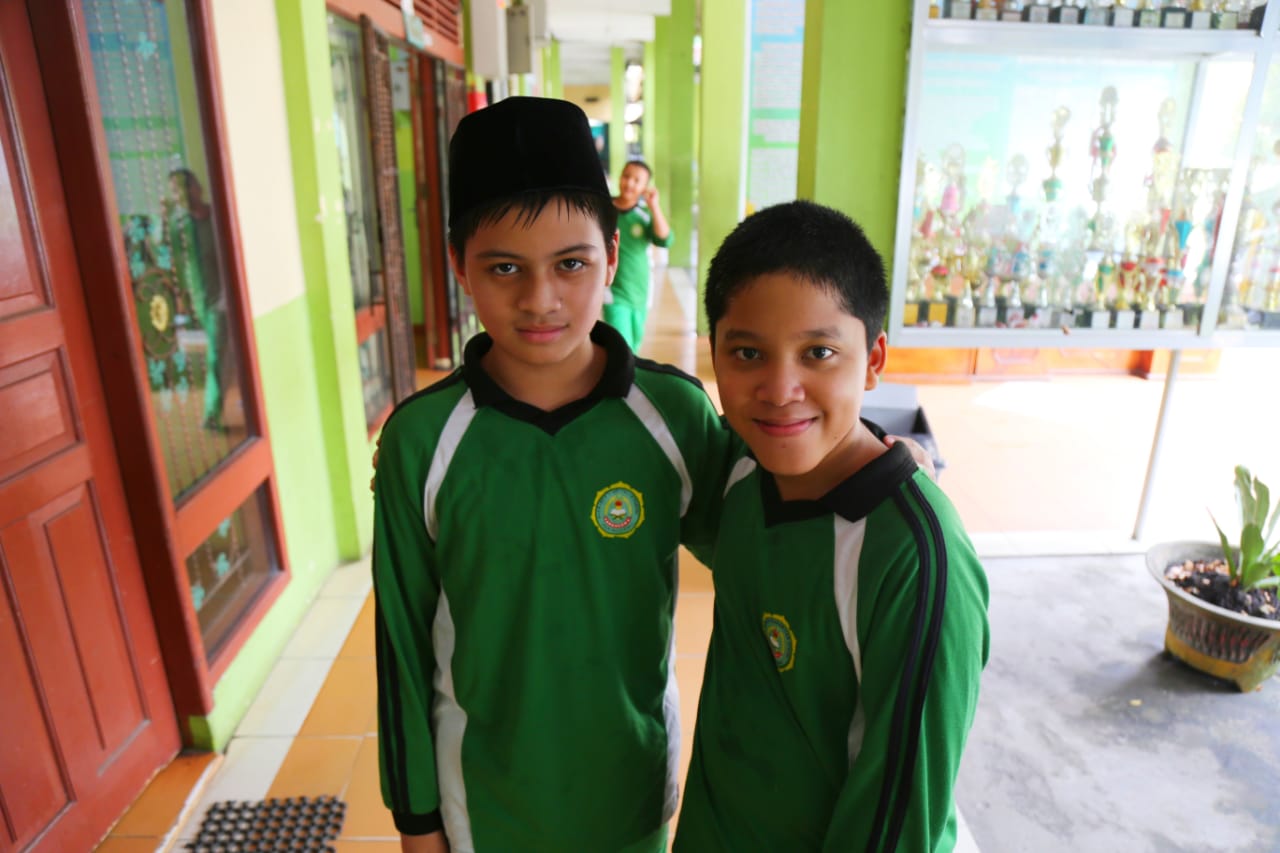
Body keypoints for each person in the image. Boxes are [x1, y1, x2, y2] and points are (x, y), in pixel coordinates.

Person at [370, 97, 733, 853]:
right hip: (483, 804)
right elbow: (400, 645)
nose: (540, 300)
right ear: (459, 266)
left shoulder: (672, 416)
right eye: (504, 267)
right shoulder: (422, 440)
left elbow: (772, 543)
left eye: (571, 264)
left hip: (631, 792)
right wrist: (416, 820)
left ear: (613, 255)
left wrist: (865, 467)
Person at [674, 201, 990, 852]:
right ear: (714, 356)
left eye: (818, 352)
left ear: (873, 359)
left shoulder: (914, 561)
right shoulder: (736, 473)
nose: (780, 388)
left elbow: (899, 822)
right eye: (748, 352)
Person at [163, 167, 228, 429]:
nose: (178, 195)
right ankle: (214, 411)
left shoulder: (218, 216)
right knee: (217, 353)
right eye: (174, 191)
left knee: (222, 354)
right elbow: (166, 254)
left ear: (196, 188)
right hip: (206, 300)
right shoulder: (179, 226)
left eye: (180, 188)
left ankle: (217, 410)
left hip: (229, 294)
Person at [604, 160, 670, 352]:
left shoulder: (645, 215)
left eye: (637, 180)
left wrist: (654, 206)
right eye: (626, 176)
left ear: (645, 187)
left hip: (639, 289)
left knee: (635, 342)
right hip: (612, 288)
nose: (629, 183)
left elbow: (664, 239)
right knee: (621, 343)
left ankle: (631, 371)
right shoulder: (603, 209)